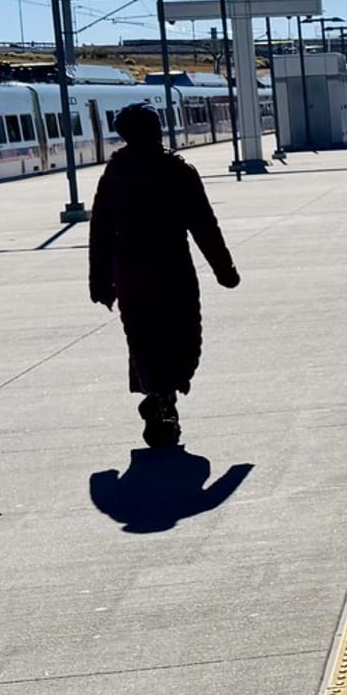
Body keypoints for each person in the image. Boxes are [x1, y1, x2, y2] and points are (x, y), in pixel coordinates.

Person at [91, 103, 239, 448]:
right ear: (155, 131)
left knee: (143, 339)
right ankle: (163, 399)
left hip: (130, 273)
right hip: (173, 271)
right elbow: (204, 225)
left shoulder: (114, 175)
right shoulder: (177, 171)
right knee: (183, 338)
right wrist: (224, 269)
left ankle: (158, 397)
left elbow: (100, 232)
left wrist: (100, 282)